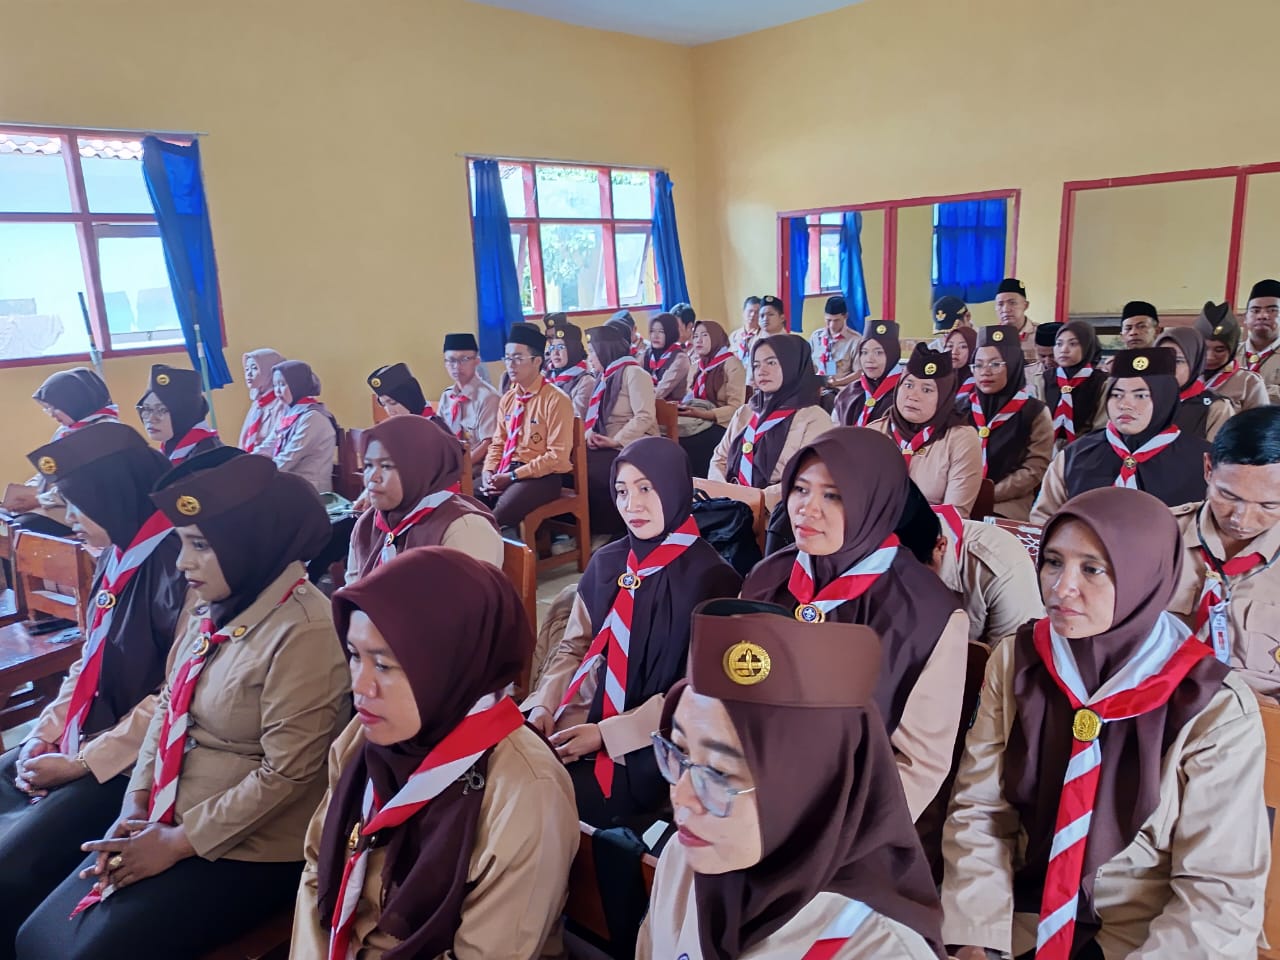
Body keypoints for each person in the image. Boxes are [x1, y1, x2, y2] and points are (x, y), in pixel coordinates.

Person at [16, 451, 349, 960]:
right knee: (38, 935)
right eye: (182, 543)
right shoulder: (214, 608)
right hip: (169, 814)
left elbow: (286, 775)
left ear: (247, 542)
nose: (181, 562)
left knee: (78, 952)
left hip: (253, 847)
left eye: (199, 545)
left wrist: (176, 843)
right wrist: (135, 803)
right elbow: (169, 710)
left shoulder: (305, 631)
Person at [941, 487, 1266, 960]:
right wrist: (977, 938)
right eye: (1053, 562)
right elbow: (980, 810)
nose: (1061, 588)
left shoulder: (1213, 706)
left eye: (1092, 569)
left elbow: (1217, 891)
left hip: (1142, 932)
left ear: (1145, 576)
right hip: (1017, 919)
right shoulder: (1018, 661)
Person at [290, 547, 577, 960]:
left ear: (451, 663)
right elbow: (317, 871)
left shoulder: (525, 792)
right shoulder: (365, 738)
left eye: (384, 666)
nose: (360, 687)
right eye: (354, 656)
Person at [636, 599, 947, 960]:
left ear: (811, 791)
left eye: (719, 773)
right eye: (679, 752)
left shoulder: (878, 949)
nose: (681, 795)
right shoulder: (684, 861)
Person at [0, 423, 184, 959]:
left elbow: (175, 696)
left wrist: (81, 762)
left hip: (131, 761)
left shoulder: (181, 563)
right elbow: (90, 661)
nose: (70, 518)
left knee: (12, 864)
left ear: (113, 496)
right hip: (85, 735)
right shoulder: (118, 552)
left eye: (79, 505)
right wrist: (45, 731)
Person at [740, 428, 968, 821]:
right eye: (800, 489)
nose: (807, 508)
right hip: (744, 793)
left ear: (875, 502)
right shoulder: (770, 575)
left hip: (845, 820)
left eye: (834, 495)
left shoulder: (928, 613)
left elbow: (918, 768)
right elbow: (727, 689)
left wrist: (827, 837)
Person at [524, 438, 741, 828]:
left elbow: (694, 693)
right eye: (622, 491)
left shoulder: (713, 581)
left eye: (646, 488)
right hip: (575, 715)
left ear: (674, 488)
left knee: (549, 805)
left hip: (646, 743)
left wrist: (606, 734)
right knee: (507, 771)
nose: (631, 505)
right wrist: (545, 704)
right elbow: (574, 647)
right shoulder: (608, 561)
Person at [1167, 408, 1280, 698]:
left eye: (1268, 505)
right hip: (1150, 706)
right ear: (1208, 468)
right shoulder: (1156, 536)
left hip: (1261, 717)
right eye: (1228, 496)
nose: (1241, 519)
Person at [1032, 348, 1212, 524]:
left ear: (1165, 399)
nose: (1125, 405)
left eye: (1141, 395)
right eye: (1117, 394)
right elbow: (1044, 520)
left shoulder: (1203, 460)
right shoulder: (1074, 455)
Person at [345, 415, 500, 584]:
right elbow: (352, 589)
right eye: (368, 465)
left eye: (386, 466)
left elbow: (467, 600)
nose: (372, 477)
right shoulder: (368, 523)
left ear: (421, 468)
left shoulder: (465, 529)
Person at [896, 499, 1043, 648]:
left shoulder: (1003, 567)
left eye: (913, 578)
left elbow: (1011, 656)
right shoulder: (889, 549)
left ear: (940, 547)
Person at [710, 335, 833, 511]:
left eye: (771, 363)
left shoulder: (814, 418)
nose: (762, 371)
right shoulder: (746, 412)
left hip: (777, 514)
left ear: (793, 365)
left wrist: (753, 502)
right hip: (730, 510)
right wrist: (724, 496)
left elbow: (807, 479)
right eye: (756, 365)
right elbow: (719, 459)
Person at [867, 344, 982, 516]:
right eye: (908, 385)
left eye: (927, 389)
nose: (913, 396)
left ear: (944, 396)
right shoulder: (873, 433)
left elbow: (954, 515)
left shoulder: (961, 439)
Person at [480, 322, 574, 530]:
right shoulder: (508, 399)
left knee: (498, 515)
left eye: (518, 358)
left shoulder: (556, 400)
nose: (510, 365)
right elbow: (498, 443)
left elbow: (557, 457)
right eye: (507, 358)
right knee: (469, 501)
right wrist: (488, 471)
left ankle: (505, 549)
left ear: (537, 361)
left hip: (542, 476)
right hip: (507, 469)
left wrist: (513, 476)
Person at [6, 368, 119, 535]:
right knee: (4, 519)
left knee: (17, 529)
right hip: (54, 502)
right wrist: (27, 491)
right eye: (47, 408)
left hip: (84, 511)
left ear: (75, 402)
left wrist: (38, 500)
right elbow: (49, 470)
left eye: (55, 408)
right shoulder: (67, 430)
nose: (51, 414)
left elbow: (86, 486)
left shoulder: (104, 433)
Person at [962, 325, 1053, 520]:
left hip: (1008, 503)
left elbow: (1034, 468)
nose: (985, 372)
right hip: (959, 496)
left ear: (1012, 365)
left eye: (995, 364)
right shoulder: (960, 407)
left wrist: (989, 494)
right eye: (978, 365)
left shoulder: (1034, 412)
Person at [584, 323, 658, 536]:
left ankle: (613, 531)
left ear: (605, 350)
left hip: (635, 443)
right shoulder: (604, 377)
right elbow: (594, 418)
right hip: (607, 442)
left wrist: (616, 440)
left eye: (592, 352)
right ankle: (589, 529)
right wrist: (590, 437)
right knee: (571, 466)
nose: (590, 358)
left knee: (593, 472)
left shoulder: (634, 373)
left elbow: (644, 416)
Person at [678, 320, 747, 477]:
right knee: (669, 433)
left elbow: (736, 408)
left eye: (704, 335)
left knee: (694, 441)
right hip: (697, 419)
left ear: (716, 337)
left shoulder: (732, 364)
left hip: (722, 423)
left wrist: (703, 414)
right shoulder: (696, 366)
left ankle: (701, 484)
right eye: (696, 336)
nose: (698, 340)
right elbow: (691, 398)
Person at [1029, 320, 1109, 452]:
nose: (1064, 350)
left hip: (1086, 450)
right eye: (1059, 344)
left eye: (1073, 344)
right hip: (1046, 449)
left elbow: (1101, 427)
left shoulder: (1102, 383)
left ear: (1087, 347)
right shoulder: (1042, 380)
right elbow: (1036, 422)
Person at [438, 332, 502, 481]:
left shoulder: (488, 397)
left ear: (476, 361)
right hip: (451, 469)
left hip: (477, 470)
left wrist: (459, 467)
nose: (457, 366)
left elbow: (488, 443)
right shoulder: (447, 396)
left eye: (464, 359)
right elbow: (440, 436)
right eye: (451, 360)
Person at [271, 360, 340, 495]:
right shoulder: (289, 412)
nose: (277, 391)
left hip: (309, 490)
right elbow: (269, 444)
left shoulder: (313, 417)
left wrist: (259, 474)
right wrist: (249, 462)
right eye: (275, 385)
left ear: (297, 385)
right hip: (289, 484)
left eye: (282, 384)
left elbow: (289, 457)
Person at [1154, 326, 1233, 442]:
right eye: (1162, 359)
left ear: (1195, 363)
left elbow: (1219, 452)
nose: (1168, 367)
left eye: (1178, 361)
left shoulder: (1216, 408)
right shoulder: (1142, 399)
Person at [137, 364, 221, 466]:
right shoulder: (168, 453)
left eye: (162, 410)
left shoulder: (210, 458)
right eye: (146, 409)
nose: (151, 418)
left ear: (185, 414)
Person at [1194, 300, 1269, 411]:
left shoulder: (1249, 382)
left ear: (1232, 349)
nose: (1210, 357)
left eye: (1219, 350)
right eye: (1204, 349)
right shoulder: (1181, 375)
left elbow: (1262, 420)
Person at [833, 321, 904, 428]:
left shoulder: (904, 394)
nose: (869, 359)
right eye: (864, 352)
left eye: (878, 352)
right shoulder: (850, 392)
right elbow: (833, 429)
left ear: (892, 354)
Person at [543, 322, 596, 420]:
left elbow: (575, 417)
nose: (555, 353)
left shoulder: (586, 381)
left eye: (561, 347)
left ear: (573, 349)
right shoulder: (547, 376)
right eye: (552, 347)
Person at [238, 349, 286, 456]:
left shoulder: (281, 404)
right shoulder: (257, 404)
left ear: (269, 371)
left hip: (269, 460)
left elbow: (274, 441)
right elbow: (244, 438)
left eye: (255, 368)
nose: (248, 374)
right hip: (250, 459)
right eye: (247, 369)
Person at [809, 295, 862, 392]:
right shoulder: (816, 337)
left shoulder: (855, 340)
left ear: (845, 316)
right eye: (828, 320)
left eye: (836, 320)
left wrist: (837, 382)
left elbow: (858, 373)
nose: (832, 325)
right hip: (817, 388)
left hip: (840, 389)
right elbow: (808, 366)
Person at [1241, 278, 1280, 402]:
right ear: (1245, 317)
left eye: (1272, 310)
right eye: (1255, 310)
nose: (1262, 316)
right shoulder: (1227, 354)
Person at [644, 312, 691, 402]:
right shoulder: (648, 352)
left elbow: (660, 392)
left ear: (670, 333)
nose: (655, 336)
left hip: (672, 407)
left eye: (661, 332)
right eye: (652, 331)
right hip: (649, 403)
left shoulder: (680, 358)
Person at [993, 278, 1038, 362]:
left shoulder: (1040, 334)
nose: (1005, 309)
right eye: (1000, 304)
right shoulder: (990, 337)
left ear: (1025, 305)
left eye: (1012, 303)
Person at [367, 363, 434, 418]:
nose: (390, 412)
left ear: (411, 398)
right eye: (384, 404)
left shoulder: (433, 427)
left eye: (392, 402)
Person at [731, 296, 762, 379]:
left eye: (757, 312)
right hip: (736, 378)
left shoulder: (764, 336)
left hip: (755, 378)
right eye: (750, 311)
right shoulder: (734, 335)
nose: (752, 315)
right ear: (743, 312)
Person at [944, 326, 978, 401]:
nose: (954, 352)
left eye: (963, 346)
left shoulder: (979, 383)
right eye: (950, 346)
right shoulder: (938, 380)